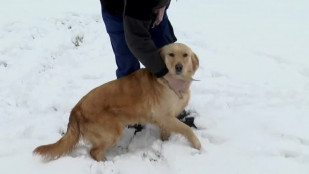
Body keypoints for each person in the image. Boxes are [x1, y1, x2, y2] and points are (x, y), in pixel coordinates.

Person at [99, 0, 196, 132]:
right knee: (128, 66)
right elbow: (136, 40)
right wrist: (166, 75)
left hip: (151, 8)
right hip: (117, 12)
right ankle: (131, 112)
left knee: (169, 53)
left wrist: (163, 5)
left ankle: (172, 108)